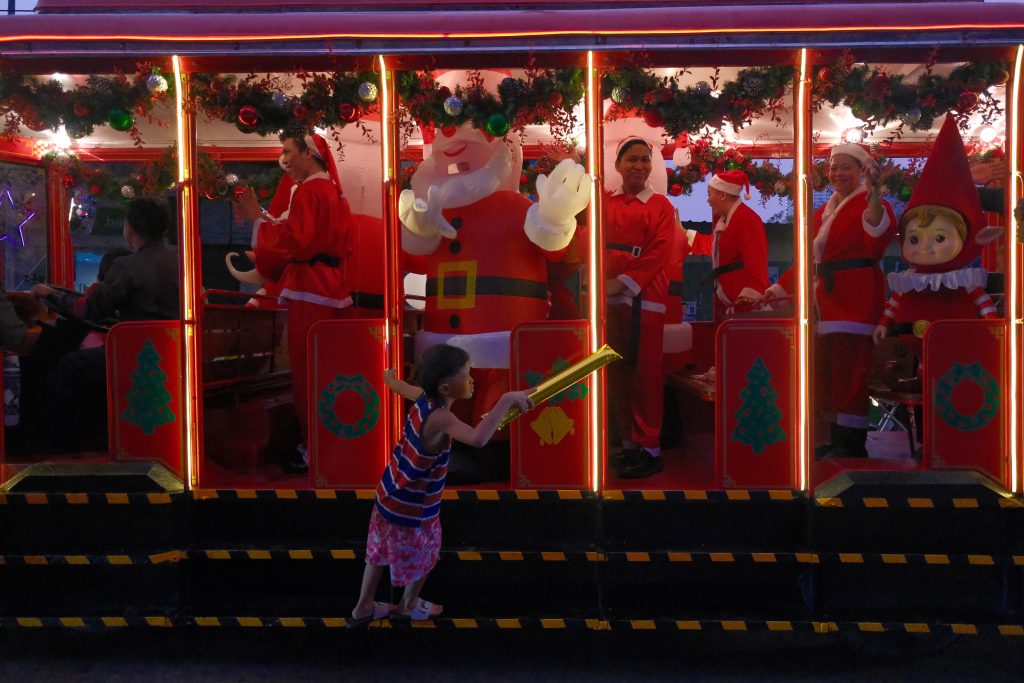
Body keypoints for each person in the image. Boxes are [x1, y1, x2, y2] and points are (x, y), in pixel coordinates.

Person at [348, 344, 533, 627]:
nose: (472, 380)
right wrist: (507, 398)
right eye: (466, 375)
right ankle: (408, 606)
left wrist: (388, 379)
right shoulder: (442, 417)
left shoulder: (423, 397)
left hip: (389, 492)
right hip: (414, 505)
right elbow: (478, 439)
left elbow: (401, 388)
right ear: (445, 388)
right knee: (427, 551)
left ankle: (363, 606)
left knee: (377, 551)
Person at [763, 143, 897, 458]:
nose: (838, 173)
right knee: (828, 371)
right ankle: (836, 437)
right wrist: (779, 287)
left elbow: (877, 237)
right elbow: (808, 258)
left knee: (850, 371)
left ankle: (851, 443)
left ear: (861, 171)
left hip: (856, 298)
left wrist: (874, 191)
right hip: (826, 300)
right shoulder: (826, 209)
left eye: (846, 167)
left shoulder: (870, 202)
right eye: (834, 167)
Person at [235, 129, 353, 474]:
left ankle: (313, 450)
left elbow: (295, 238)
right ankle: (325, 446)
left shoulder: (309, 191)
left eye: (288, 151)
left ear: (308, 153)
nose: (283, 159)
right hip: (328, 288)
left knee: (306, 373)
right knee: (323, 370)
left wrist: (258, 219)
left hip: (309, 288)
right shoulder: (329, 190)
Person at [32, 198, 180, 452]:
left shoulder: (128, 266)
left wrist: (51, 295)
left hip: (139, 355)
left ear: (129, 228)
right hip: (174, 352)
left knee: (68, 366)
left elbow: (89, 309)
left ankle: (67, 447)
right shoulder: (180, 260)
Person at [604, 136, 675, 479]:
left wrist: (623, 282)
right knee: (617, 372)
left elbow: (660, 252)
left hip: (644, 299)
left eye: (645, 160)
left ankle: (650, 449)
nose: (639, 165)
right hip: (608, 297)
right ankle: (629, 444)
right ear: (618, 165)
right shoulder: (605, 202)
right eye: (631, 159)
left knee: (644, 375)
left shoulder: (661, 206)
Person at [687, 169, 770, 316]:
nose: (708, 201)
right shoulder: (726, 222)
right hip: (733, 308)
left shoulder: (747, 220)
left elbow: (758, 269)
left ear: (722, 195)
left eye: (709, 195)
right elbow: (715, 247)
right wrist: (683, 235)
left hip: (746, 311)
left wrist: (746, 302)